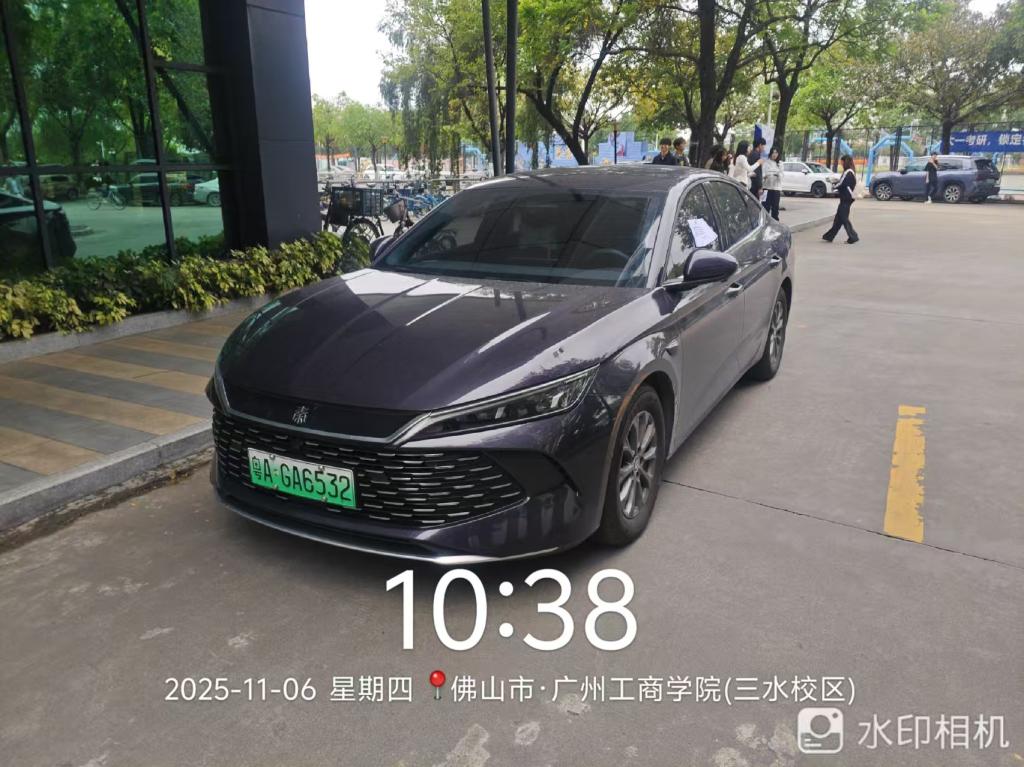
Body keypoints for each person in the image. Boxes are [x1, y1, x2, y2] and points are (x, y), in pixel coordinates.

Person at [822, 154, 859, 244]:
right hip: (846, 197)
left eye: (841, 161)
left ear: (845, 162)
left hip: (846, 197)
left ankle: (853, 237)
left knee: (844, 218)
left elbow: (842, 183)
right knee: (838, 219)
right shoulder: (850, 171)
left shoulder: (848, 172)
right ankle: (829, 236)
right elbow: (844, 182)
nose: (840, 163)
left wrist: (834, 185)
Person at [760, 146, 783, 220]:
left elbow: (782, 175)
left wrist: (778, 175)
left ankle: (775, 223)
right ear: (770, 153)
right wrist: (765, 176)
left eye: (776, 153)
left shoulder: (780, 163)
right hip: (766, 188)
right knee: (765, 208)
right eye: (773, 152)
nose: (774, 154)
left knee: (775, 208)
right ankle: (764, 222)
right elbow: (762, 174)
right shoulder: (766, 162)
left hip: (776, 189)